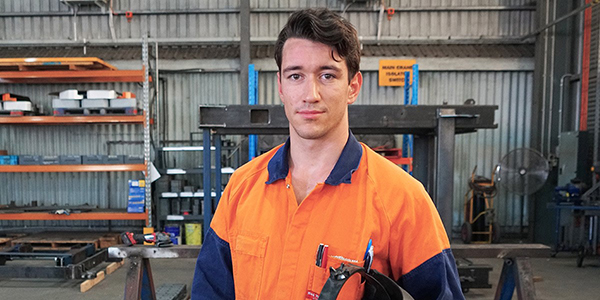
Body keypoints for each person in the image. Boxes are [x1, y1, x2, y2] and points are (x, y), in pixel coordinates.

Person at [192, 8, 464, 300]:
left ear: (353, 86)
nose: (310, 94)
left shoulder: (401, 199)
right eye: (296, 75)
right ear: (281, 86)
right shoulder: (241, 188)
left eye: (327, 75)